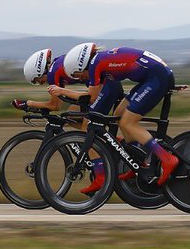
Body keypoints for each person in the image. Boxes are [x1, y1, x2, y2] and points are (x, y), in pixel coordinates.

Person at [55, 43, 179, 192]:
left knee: (128, 123)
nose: (80, 78)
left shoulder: (95, 64)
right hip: (152, 77)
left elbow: (92, 98)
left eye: (78, 74)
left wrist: (62, 91)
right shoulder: (98, 61)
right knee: (118, 116)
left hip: (156, 78)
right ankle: (137, 162)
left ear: (82, 65)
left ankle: (167, 158)